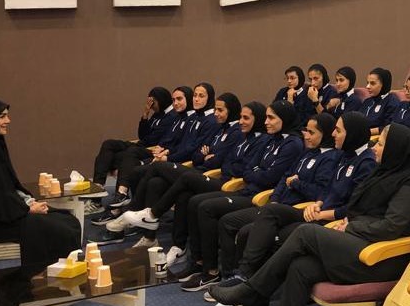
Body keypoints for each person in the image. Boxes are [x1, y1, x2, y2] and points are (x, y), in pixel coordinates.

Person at [208, 124, 410, 306]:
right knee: (300, 267)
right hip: (360, 243)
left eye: (381, 144)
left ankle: (252, 289)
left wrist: (351, 225)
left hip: (380, 258)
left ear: (396, 150)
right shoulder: (384, 173)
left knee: (305, 232)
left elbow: (391, 227)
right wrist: (349, 220)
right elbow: (360, 210)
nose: (375, 147)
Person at [176, 101, 303, 289]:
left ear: (284, 119)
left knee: (207, 208)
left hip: (260, 197)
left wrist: (256, 172)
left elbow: (271, 177)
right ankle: (199, 262)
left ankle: (216, 273)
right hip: (247, 189)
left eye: (271, 118)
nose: (266, 122)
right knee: (194, 201)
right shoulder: (270, 139)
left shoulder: (293, 144)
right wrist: (257, 172)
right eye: (266, 117)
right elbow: (247, 169)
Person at [0, 99, 80, 275]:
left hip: (5, 213)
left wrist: (28, 203)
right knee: (59, 230)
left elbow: (6, 189)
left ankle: (62, 276)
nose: (8, 121)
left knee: (68, 219)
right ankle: (41, 281)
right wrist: (27, 209)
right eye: (2, 117)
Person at [113, 94, 245, 252]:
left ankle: (139, 212)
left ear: (231, 110)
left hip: (212, 176)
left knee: (158, 167)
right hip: (198, 169)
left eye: (220, 110)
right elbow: (197, 155)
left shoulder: (235, 132)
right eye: (215, 109)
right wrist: (204, 156)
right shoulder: (220, 128)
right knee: (156, 183)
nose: (216, 113)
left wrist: (206, 157)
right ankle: (150, 237)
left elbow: (219, 161)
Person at [88, 86, 173, 213]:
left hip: (149, 149)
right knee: (108, 145)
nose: (151, 106)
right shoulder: (157, 115)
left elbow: (153, 140)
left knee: (118, 157)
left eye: (153, 103)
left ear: (162, 100)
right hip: (140, 144)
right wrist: (145, 115)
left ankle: (115, 200)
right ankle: (98, 188)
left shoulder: (171, 116)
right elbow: (142, 135)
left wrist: (144, 143)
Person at [360, 67, 400, 134]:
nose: (367, 86)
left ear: (383, 84)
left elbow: (388, 128)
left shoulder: (392, 102)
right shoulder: (367, 101)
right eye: (367, 83)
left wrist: (365, 132)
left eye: (372, 83)